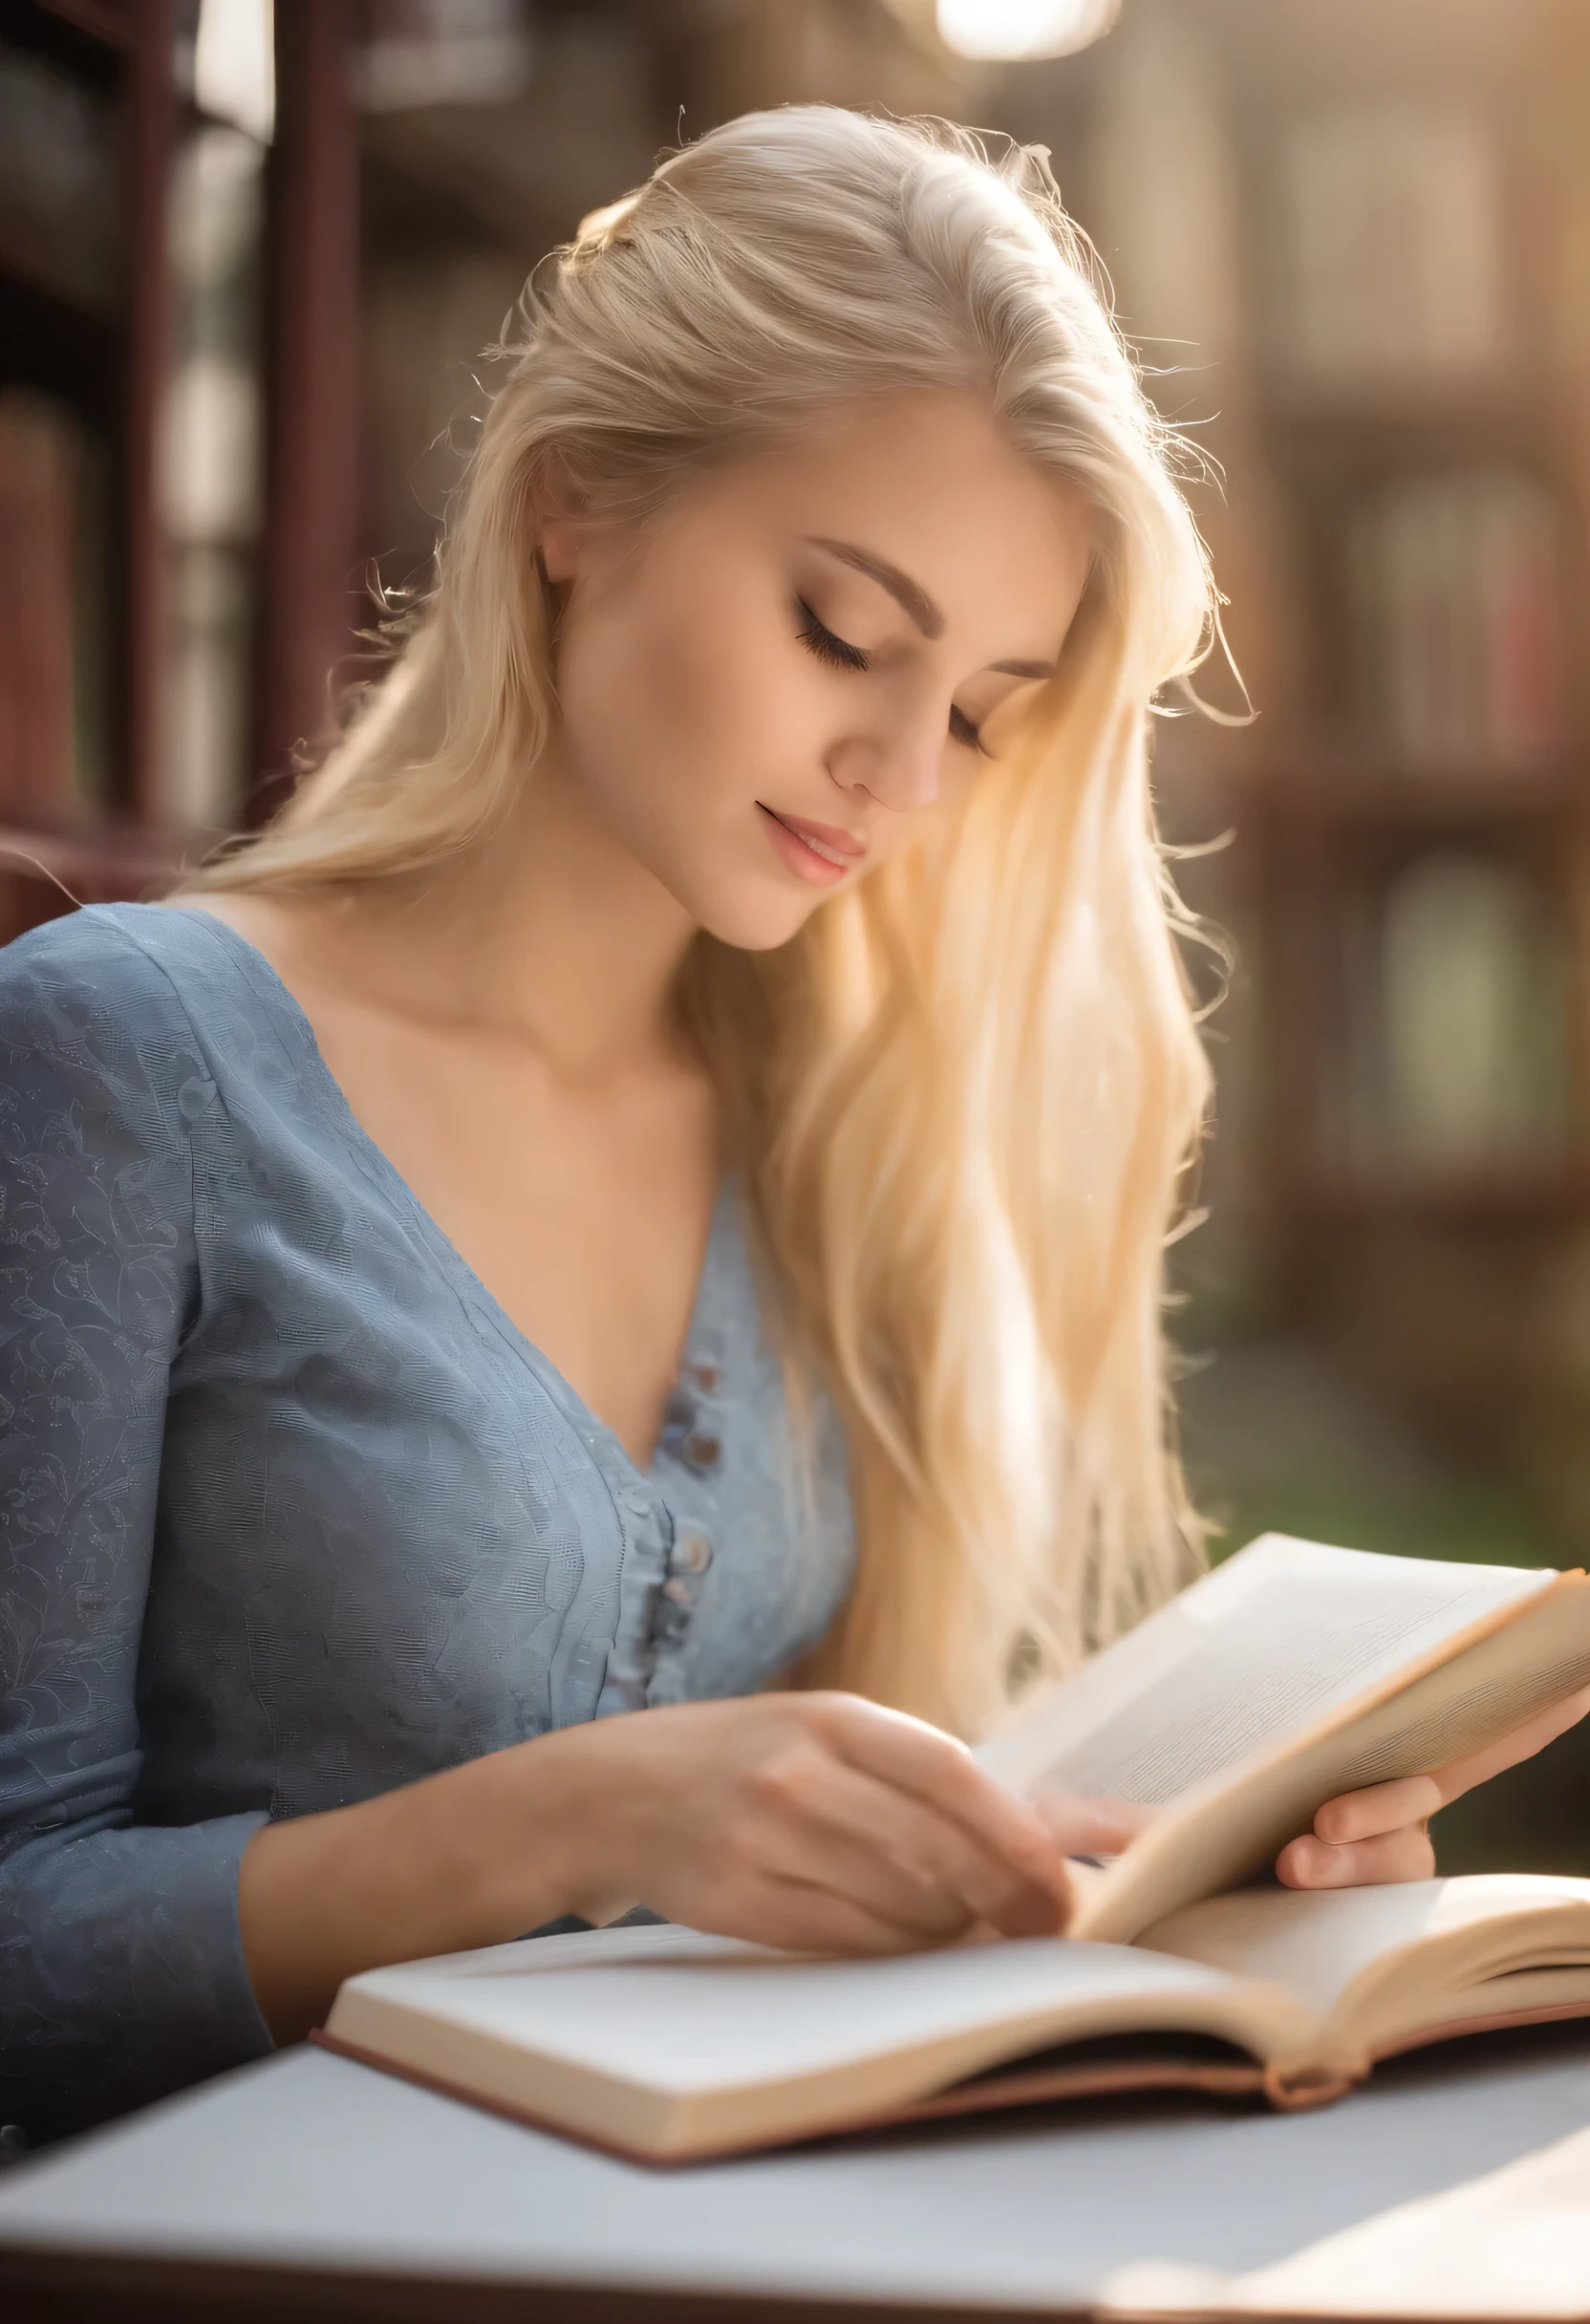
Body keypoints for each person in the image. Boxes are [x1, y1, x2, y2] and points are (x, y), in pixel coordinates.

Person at [2, 110, 1580, 2149]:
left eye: (985, 706)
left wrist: (1186, 1889)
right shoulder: (123, 1063)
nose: (902, 775)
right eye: (843, 632)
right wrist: (574, 1817)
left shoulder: (842, 1131)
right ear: (573, 498)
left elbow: (825, 1902)